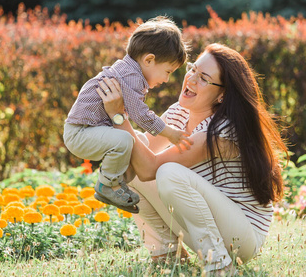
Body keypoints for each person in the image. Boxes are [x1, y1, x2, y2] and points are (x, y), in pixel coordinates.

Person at [96, 43, 287, 273]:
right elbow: (142, 153)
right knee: (127, 153)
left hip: (241, 237)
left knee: (167, 172)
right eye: (193, 69)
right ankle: (166, 253)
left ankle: (219, 265)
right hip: (205, 223)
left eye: (204, 78)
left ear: (222, 94)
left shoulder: (221, 131)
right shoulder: (179, 111)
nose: (191, 79)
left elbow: (150, 169)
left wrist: (119, 116)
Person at [63, 16, 192, 213]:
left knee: (140, 141)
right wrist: (169, 133)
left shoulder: (129, 72)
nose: (166, 79)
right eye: (167, 71)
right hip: (80, 133)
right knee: (125, 139)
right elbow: (142, 115)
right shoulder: (131, 77)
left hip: (91, 131)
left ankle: (117, 184)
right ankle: (108, 185)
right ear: (149, 60)